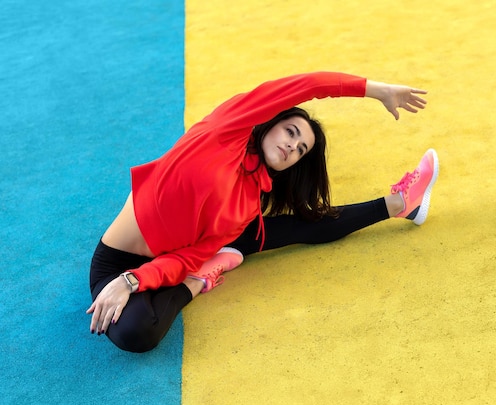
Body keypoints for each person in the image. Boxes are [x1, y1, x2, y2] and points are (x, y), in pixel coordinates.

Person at [87, 72, 435, 352]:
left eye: (300, 149)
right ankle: (200, 281)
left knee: (299, 226)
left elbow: (185, 258)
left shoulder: (249, 203)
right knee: (137, 335)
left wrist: (134, 282)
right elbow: (309, 86)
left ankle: (399, 204)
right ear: (271, 121)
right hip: (117, 260)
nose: (292, 146)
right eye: (291, 131)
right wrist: (376, 90)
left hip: (177, 254)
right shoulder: (224, 131)